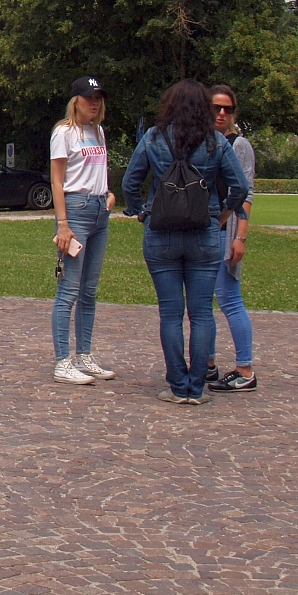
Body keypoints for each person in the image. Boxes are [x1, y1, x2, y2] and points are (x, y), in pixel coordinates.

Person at [123, 79, 249, 405]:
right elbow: (239, 188)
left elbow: (130, 182)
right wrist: (221, 216)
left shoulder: (153, 138)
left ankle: (177, 385)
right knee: (202, 314)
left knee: (170, 314)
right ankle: (197, 387)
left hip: (161, 232)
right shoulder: (216, 142)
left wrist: (141, 212)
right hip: (204, 234)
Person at [49, 76, 117, 386]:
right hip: (76, 210)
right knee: (70, 290)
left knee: (90, 290)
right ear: (76, 100)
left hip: (99, 209)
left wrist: (108, 192)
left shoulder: (98, 132)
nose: (95, 103)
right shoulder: (64, 133)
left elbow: (97, 170)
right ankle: (63, 360)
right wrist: (63, 223)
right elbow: (58, 180)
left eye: (99, 98)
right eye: (89, 97)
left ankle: (84, 354)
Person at [206, 84, 258, 392]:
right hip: (207, 231)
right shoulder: (205, 142)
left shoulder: (238, 145)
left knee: (229, 299)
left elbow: (246, 193)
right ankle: (208, 363)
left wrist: (241, 236)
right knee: (201, 301)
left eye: (228, 109)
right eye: (216, 108)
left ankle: (245, 369)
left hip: (227, 233)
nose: (222, 114)